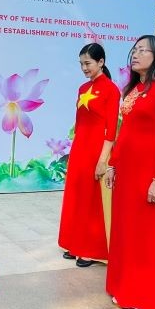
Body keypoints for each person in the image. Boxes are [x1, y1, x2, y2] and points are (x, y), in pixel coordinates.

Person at [103, 35, 155, 309]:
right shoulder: (134, 89)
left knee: (148, 238)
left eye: (142, 50)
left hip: (150, 174)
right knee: (127, 232)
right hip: (127, 171)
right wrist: (112, 164)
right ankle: (124, 287)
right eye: (134, 50)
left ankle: (147, 299)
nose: (135, 55)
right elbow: (125, 133)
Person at [58, 43, 119, 268]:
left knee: (92, 201)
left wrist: (103, 160)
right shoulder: (83, 88)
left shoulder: (111, 90)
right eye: (81, 64)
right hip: (79, 149)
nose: (84, 68)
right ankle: (74, 244)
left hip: (97, 151)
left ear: (101, 62)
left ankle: (90, 250)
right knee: (76, 197)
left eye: (88, 63)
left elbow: (111, 129)